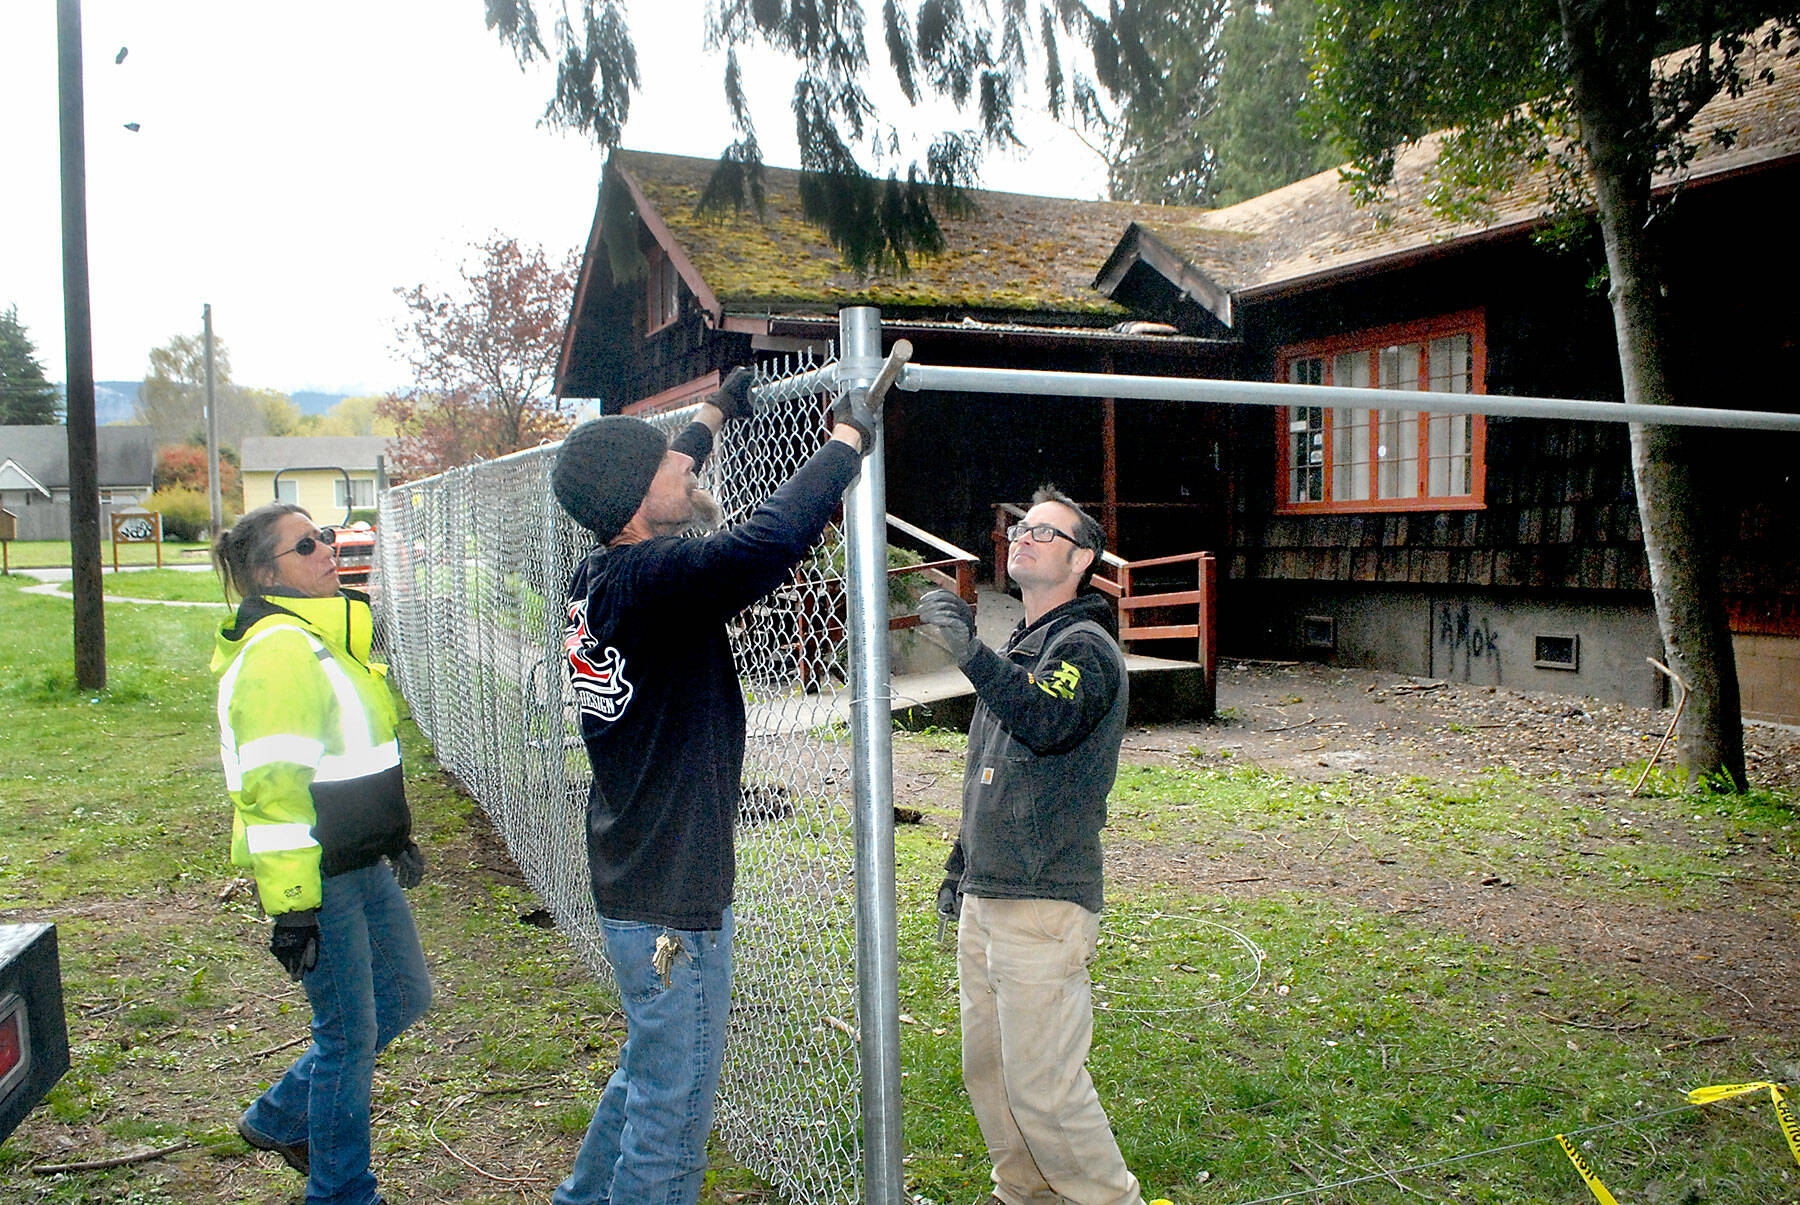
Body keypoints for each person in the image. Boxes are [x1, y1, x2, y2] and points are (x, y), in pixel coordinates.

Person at [550, 368, 871, 1205]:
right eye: (671, 464)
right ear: (632, 496)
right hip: (672, 901)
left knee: (647, 1072)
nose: (686, 468)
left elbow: (663, 473)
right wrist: (844, 443)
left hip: (637, 875)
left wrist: (711, 415)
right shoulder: (655, 580)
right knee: (674, 1111)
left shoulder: (602, 578)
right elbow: (762, 546)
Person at [918, 487, 1146, 1205]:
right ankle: (1025, 1195)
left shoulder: (1086, 648)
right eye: (1020, 526)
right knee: (990, 1073)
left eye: (1045, 532)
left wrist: (971, 654)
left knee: (1045, 1090)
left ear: (1082, 559)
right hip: (991, 894)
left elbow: (1046, 720)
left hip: (1044, 899)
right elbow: (992, 776)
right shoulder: (1025, 647)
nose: (1022, 535)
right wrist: (962, 866)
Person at [211, 502, 431, 1205]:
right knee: (347, 1037)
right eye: (308, 545)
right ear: (266, 574)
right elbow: (273, 797)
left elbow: (352, 756)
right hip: (318, 877)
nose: (330, 550)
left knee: (403, 995)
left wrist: (391, 832)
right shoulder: (279, 649)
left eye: (328, 536)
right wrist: (294, 908)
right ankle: (342, 1193)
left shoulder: (325, 635)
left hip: (360, 856)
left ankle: (278, 1117)